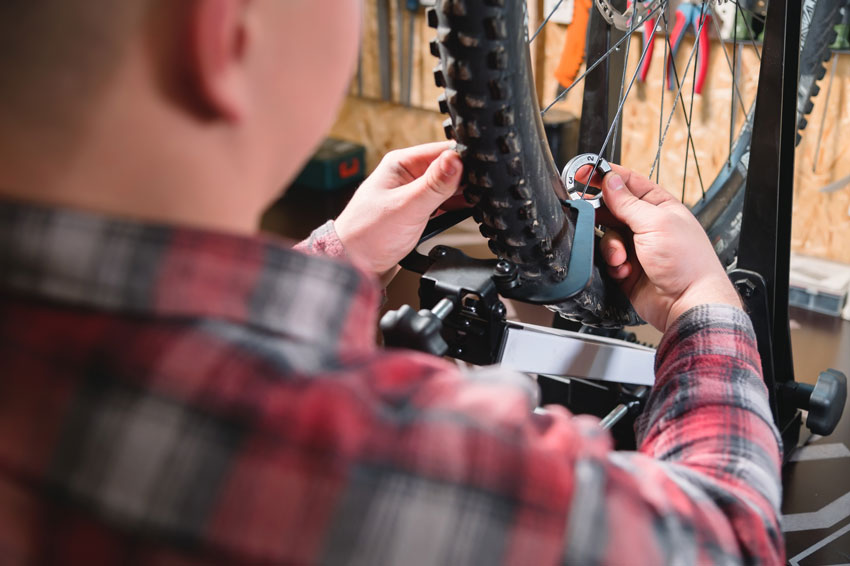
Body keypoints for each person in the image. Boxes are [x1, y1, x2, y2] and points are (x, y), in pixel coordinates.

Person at [0, 1, 782, 564]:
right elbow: (728, 541)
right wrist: (701, 309)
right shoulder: (346, 463)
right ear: (224, 32)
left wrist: (341, 253)